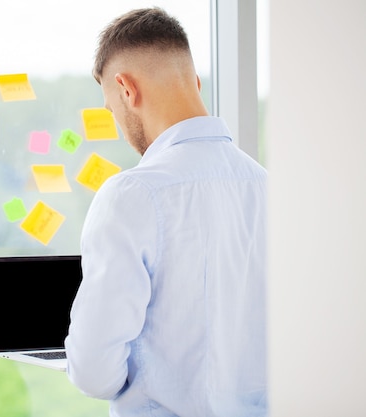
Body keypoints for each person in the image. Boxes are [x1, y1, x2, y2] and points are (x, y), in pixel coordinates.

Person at [64, 7, 267, 417]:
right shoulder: (270, 186)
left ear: (125, 89)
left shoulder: (132, 194)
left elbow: (94, 374)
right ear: (193, 81)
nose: (118, 123)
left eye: (110, 108)